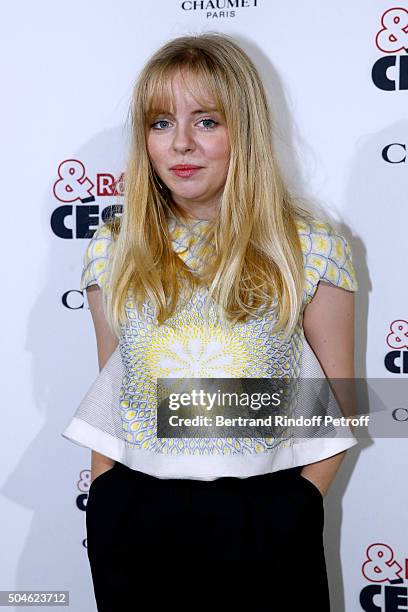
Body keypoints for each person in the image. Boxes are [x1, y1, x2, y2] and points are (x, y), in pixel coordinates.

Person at [62, 32, 359, 611]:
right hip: (135, 524)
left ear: (242, 130)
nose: (181, 145)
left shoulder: (311, 246)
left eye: (206, 121)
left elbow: (340, 401)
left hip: (266, 521)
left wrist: (291, 507)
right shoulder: (113, 247)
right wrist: (107, 497)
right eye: (160, 123)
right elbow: (115, 390)